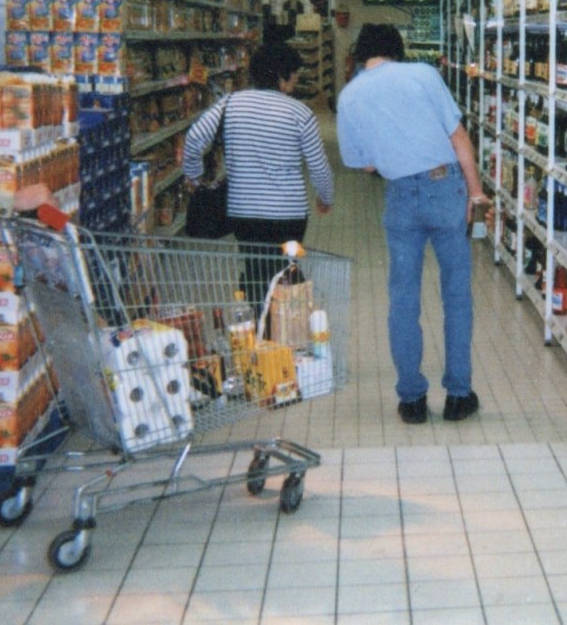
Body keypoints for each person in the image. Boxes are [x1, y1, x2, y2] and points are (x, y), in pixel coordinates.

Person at [335, 24, 489, 425]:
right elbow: (459, 138)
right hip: (445, 188)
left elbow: (363, 163)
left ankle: (412, 400)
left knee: (403, 298)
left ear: (362, 53)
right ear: (396, 49)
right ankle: (458, 396)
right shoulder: (423, 74)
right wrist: (475, 193)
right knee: (456, 295)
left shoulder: (349, 95)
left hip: (400, 197)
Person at [183, 42, 334, 299]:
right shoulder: (300, 113)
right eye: (294, 74)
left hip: (244, 211)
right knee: (285, 271)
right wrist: (326, 197)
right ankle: (281, 318)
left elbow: (194, 139)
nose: (296, 80)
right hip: (289, 213)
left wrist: (194, 177)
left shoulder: (229, 104)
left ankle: (257, 316)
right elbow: (318, 165)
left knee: (255, 269)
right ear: (281, 77)